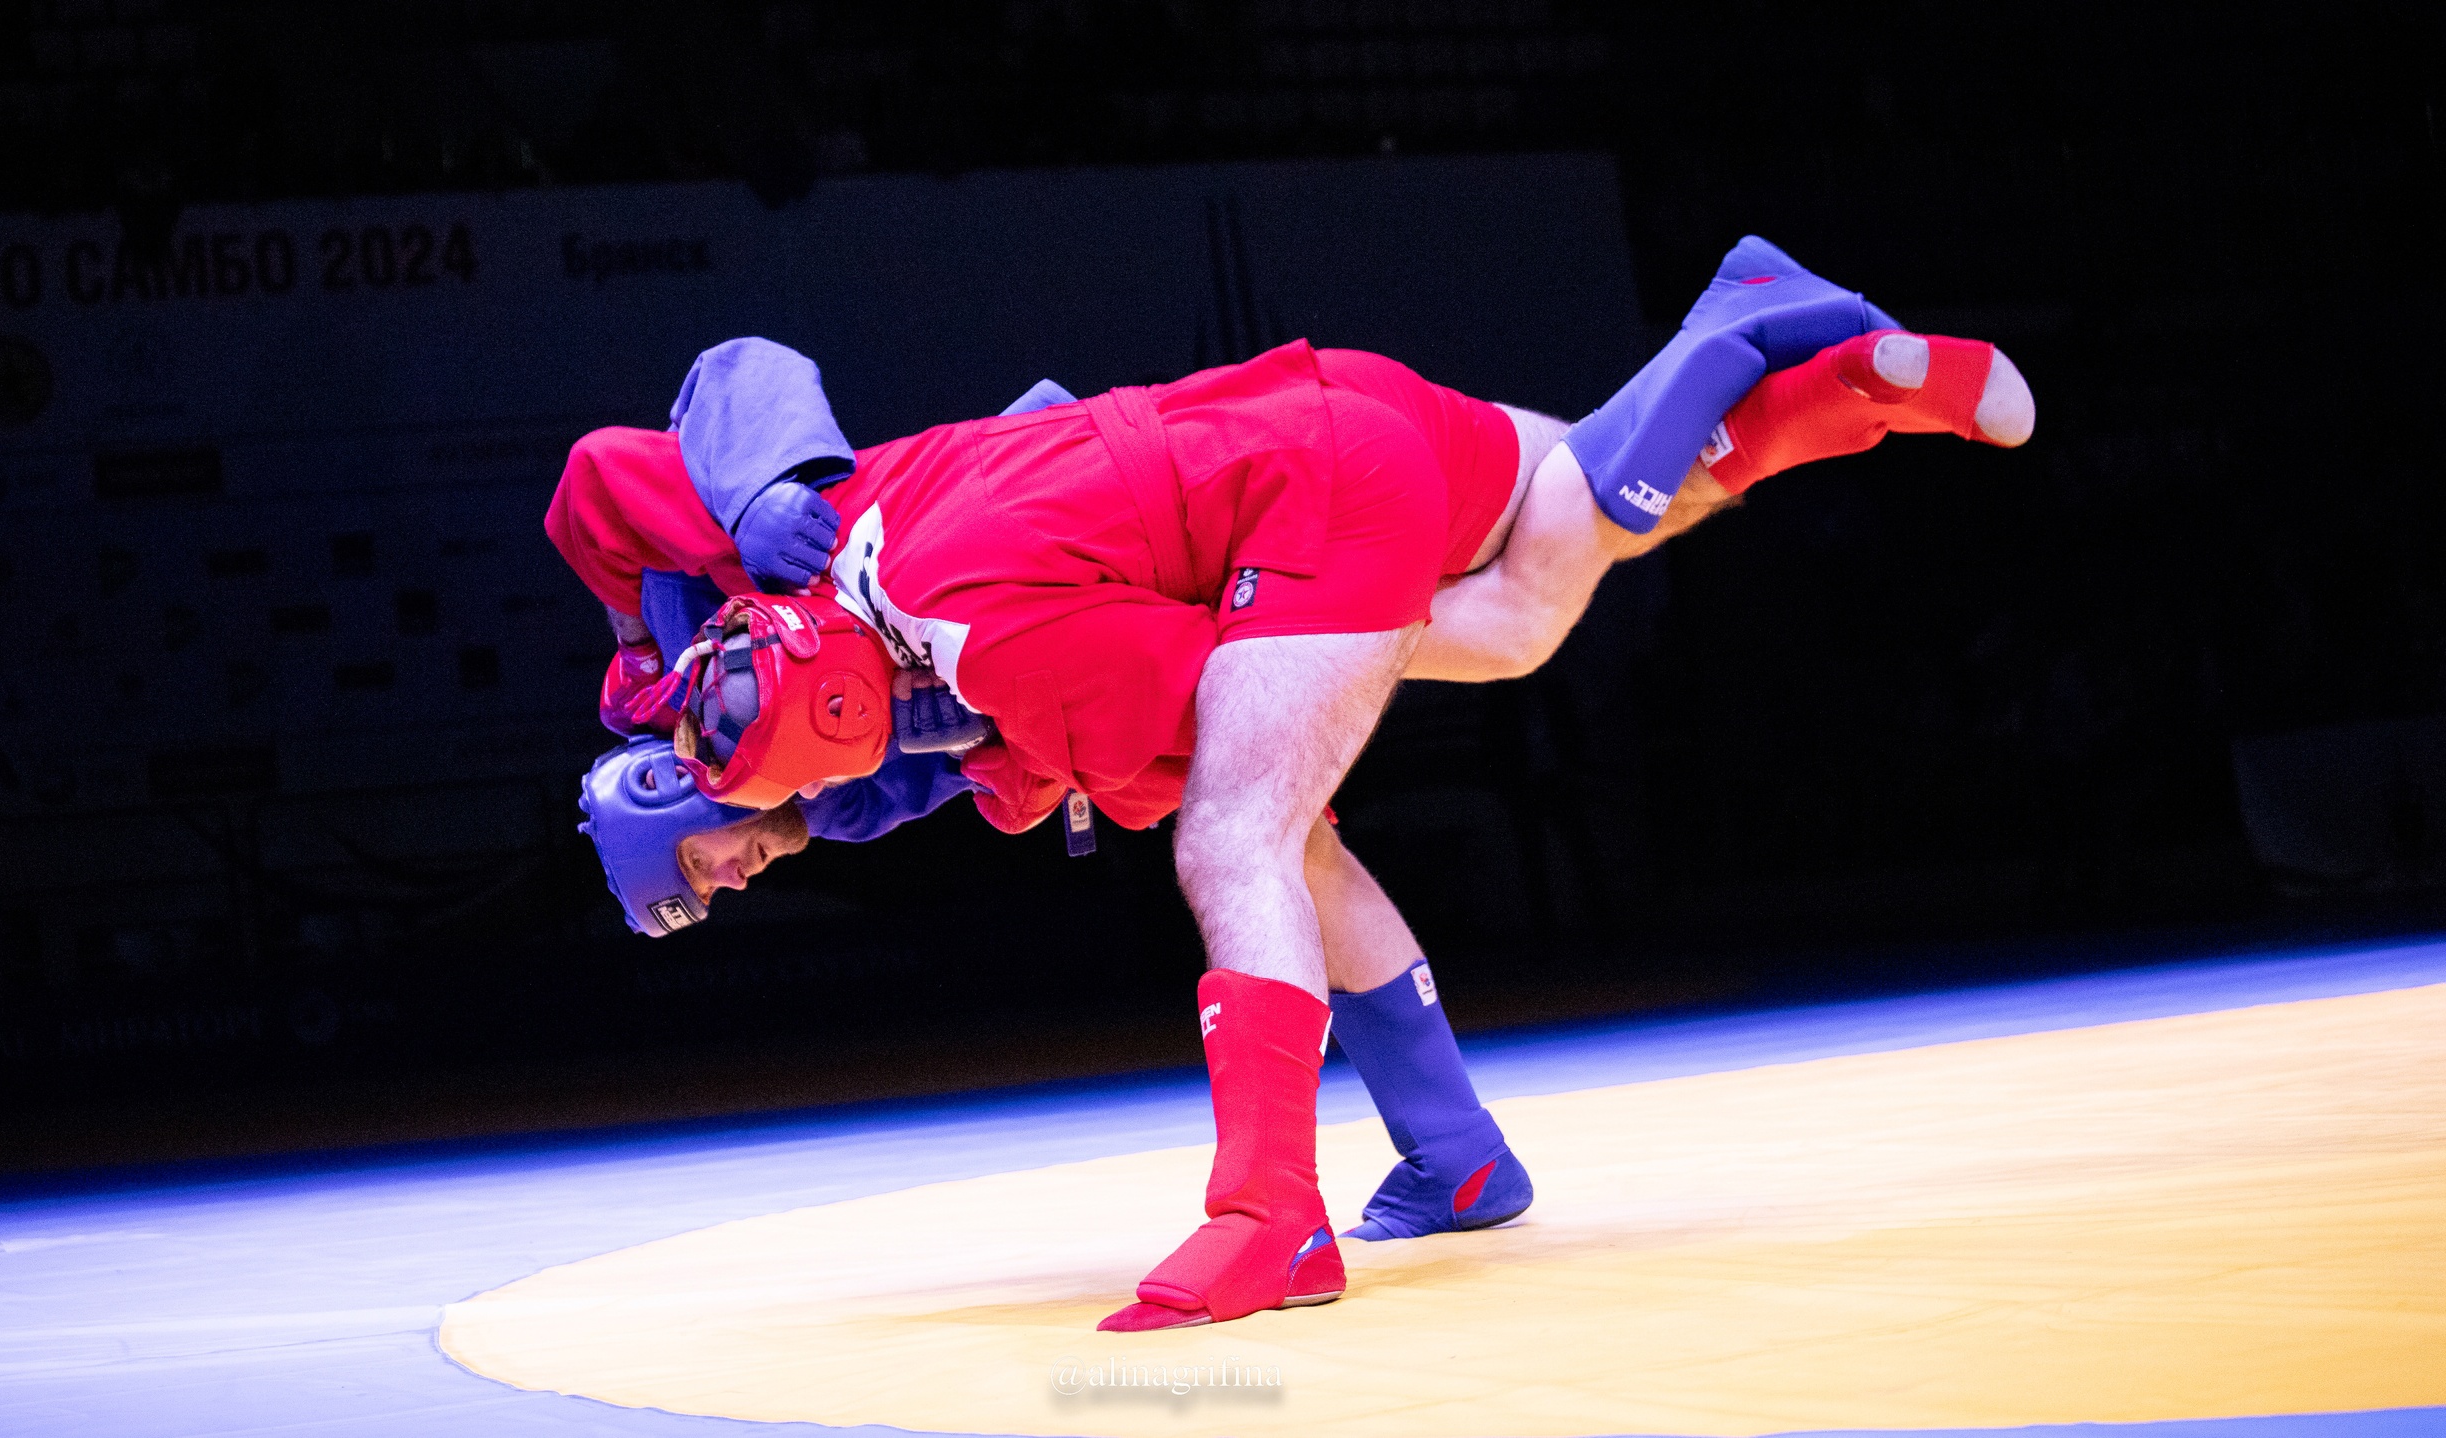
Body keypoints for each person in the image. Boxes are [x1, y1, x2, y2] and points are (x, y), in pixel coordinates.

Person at [550, 236, 2036, 1332]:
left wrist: (767, 515)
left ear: (681, 787)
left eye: (703, 871)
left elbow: (680, 424)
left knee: (1258, 818)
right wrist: (1031, 760)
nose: (737, 882)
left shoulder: (807, 603)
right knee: (1532, 553)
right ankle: (1456, 1156)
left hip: (1257, 506)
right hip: (1274, 430)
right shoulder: (825, 718)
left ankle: (1272, 1216)